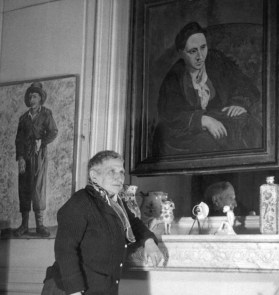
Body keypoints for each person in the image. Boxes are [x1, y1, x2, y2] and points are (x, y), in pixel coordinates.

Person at [41, 150, 164, 295]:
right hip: (67, 290)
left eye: (121, 172)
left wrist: (149, 242)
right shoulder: (80, 202)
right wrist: (74, 291)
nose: (119, 178)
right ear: (94, 176)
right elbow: (65, 250)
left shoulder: (117, 205)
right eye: (111, 171)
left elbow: (135, 224)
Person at [153, 21, 262, 156]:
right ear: (181, 53)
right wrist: (203, 120)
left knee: (249, 125)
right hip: (187, 134)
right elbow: (169, 116)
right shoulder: (173, 78)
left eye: (203, 47)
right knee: (207, 143)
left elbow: (244, 84)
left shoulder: (216, 60)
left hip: (222, 118)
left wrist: (239, 103)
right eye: (193, 51)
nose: (200, 56)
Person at [14, 82, 58, 237]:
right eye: (30, 96)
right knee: (24, 187)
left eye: (35, 96)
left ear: (40, 98)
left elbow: (53, 131)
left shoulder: (46, 113)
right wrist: (20, 157)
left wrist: (42, 141)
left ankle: (40, 225)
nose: (32, 98)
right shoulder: (23, 118)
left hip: (39, 154)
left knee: (38, 187)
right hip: (25, 155)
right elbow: (18, 139)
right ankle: (24, 225)